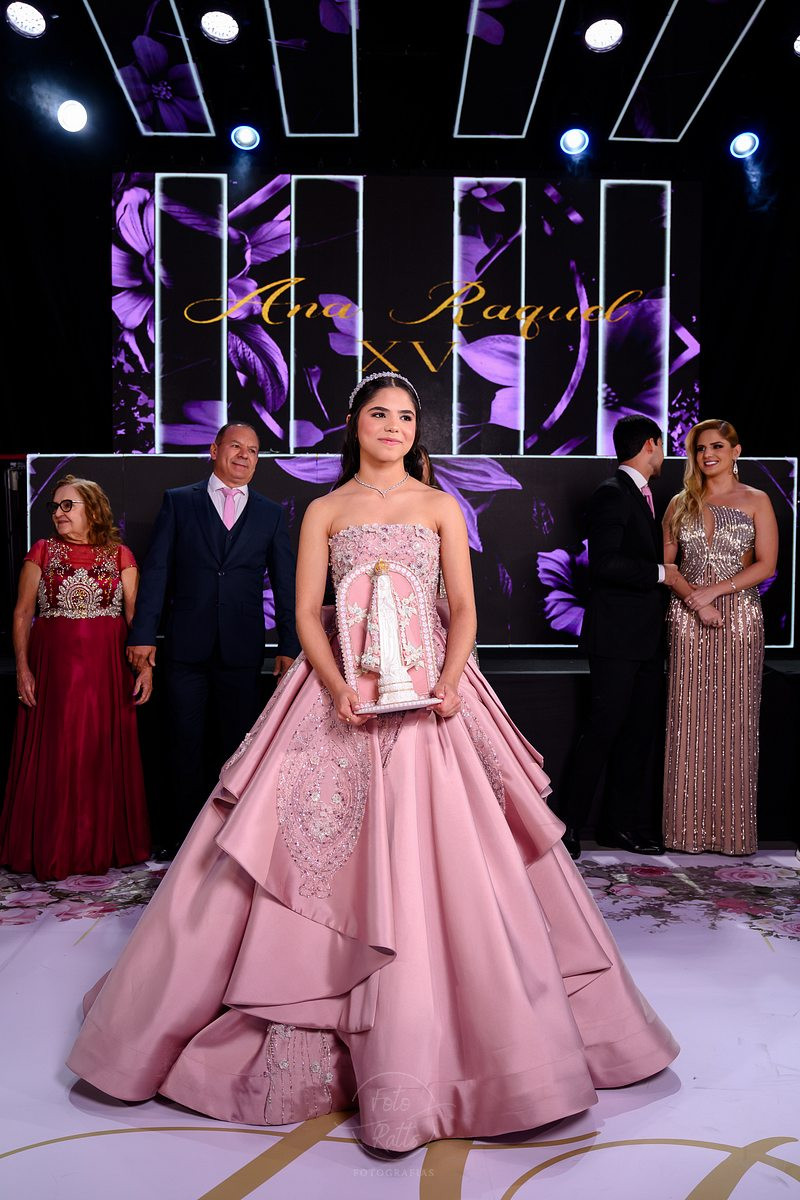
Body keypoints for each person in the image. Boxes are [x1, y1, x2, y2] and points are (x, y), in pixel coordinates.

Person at [67, 374, 678, 1156]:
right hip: (341, 695)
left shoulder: (439, 505)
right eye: (380, 413)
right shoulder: (324, 509)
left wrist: (450, 682)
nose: (393, 425)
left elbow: (465, 608)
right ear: (354, 422)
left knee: (461, 858)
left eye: (407, 416)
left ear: (417, 430)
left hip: (431, 697)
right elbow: (302, 615)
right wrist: (334, 688)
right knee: (285, 856)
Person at [126, 422, 300, 855]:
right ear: (214, 449)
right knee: (183, 745)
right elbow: (157, 572)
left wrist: (288, 645)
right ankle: (182, 842)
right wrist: (143, 633)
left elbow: (285, 583)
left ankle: (227, 845)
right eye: (236, 446)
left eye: (253, 451)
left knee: (235, 745)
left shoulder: (270, 513)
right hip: (185, 647)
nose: (244, 456)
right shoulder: (179, 502)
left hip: (242, 650)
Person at [0, 476, 151, 881]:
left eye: (68, 505)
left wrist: (146, 668)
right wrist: (23, 668)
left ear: (93, 510)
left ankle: (100, 846)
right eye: (55, 506)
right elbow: (22, 614)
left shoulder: (120, 555)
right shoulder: (42, 551)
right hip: (55, 672)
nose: (59, 513)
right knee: (58, 752)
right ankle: (55, 848)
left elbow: (135, 618)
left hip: (106, 672)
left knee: (100, 752)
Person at [560, 415, 678, 860]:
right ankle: (567, 826)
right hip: (615, 639)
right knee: (602, 730)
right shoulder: (612, 493)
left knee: (637, 733)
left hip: (645, 640)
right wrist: (663, 573)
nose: (663, 456)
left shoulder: (641, 495)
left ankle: (620, 827)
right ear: (651, 445)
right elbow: (605, 563)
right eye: (662, 447)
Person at [662, 420, 777, 855]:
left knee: (735, 723)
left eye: (716, 446)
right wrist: (697, 601)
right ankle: (685, 833)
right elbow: (668, 568)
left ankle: (732, 834)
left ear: (735, 451)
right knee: (688, 722)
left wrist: (715, 592)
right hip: (688, 618)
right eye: (699, 448)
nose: (707, 454)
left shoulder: (757, 500)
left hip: (739, 620)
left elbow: (766, 565)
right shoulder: (679, 503)